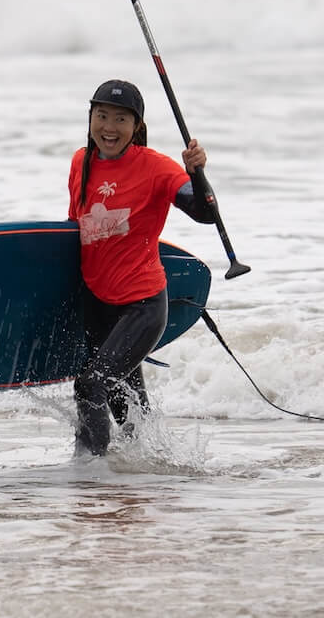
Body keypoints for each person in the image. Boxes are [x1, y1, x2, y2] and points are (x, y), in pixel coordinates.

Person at [67, 79, 216, 456]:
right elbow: (74, 231)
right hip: (98, 304)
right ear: (90, 119)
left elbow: (205, 212)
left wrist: (198, 174)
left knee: (90, 384)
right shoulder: (80, 163)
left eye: (120, 119)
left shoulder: (156, 169)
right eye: (101, 116)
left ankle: (88, 474)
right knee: (126, 408)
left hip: (142, 305)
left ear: (137, 127)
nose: (109, 128)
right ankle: (150, 472)